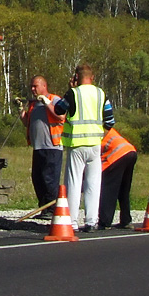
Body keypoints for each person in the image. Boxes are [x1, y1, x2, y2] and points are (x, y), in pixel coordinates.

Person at [44, 64, 114, 233]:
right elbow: (110, 121)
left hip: (76, 145)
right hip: (95, 145)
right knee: (93, 184)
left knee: (73, 183)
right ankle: (91, 221)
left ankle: (72, 222)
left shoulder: (73, 93)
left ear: (76, 77)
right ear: (93, 77)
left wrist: (70, 89)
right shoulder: (101, 94)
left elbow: (59, 109)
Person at [20, 75, 64, 215]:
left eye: (35, 86)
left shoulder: (54, 100)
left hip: (52, 147)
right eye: (31, 86)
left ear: (44, 86)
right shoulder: (33, 104)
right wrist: (21, 110)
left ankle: (52, 209)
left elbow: (61, 116)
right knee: (37, 178)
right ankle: (44, 208)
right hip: (38, 146)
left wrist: (46, 102)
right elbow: (28, 123)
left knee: (49, 179)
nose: (33, 89)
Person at [98, 125, 137, 229]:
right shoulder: (108, 132)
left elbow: (98, 164)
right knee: (123, 190)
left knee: (108, 189)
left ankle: (105, 222)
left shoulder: (95, 138)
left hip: (118, 155)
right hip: (131, 152)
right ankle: (126, 220)